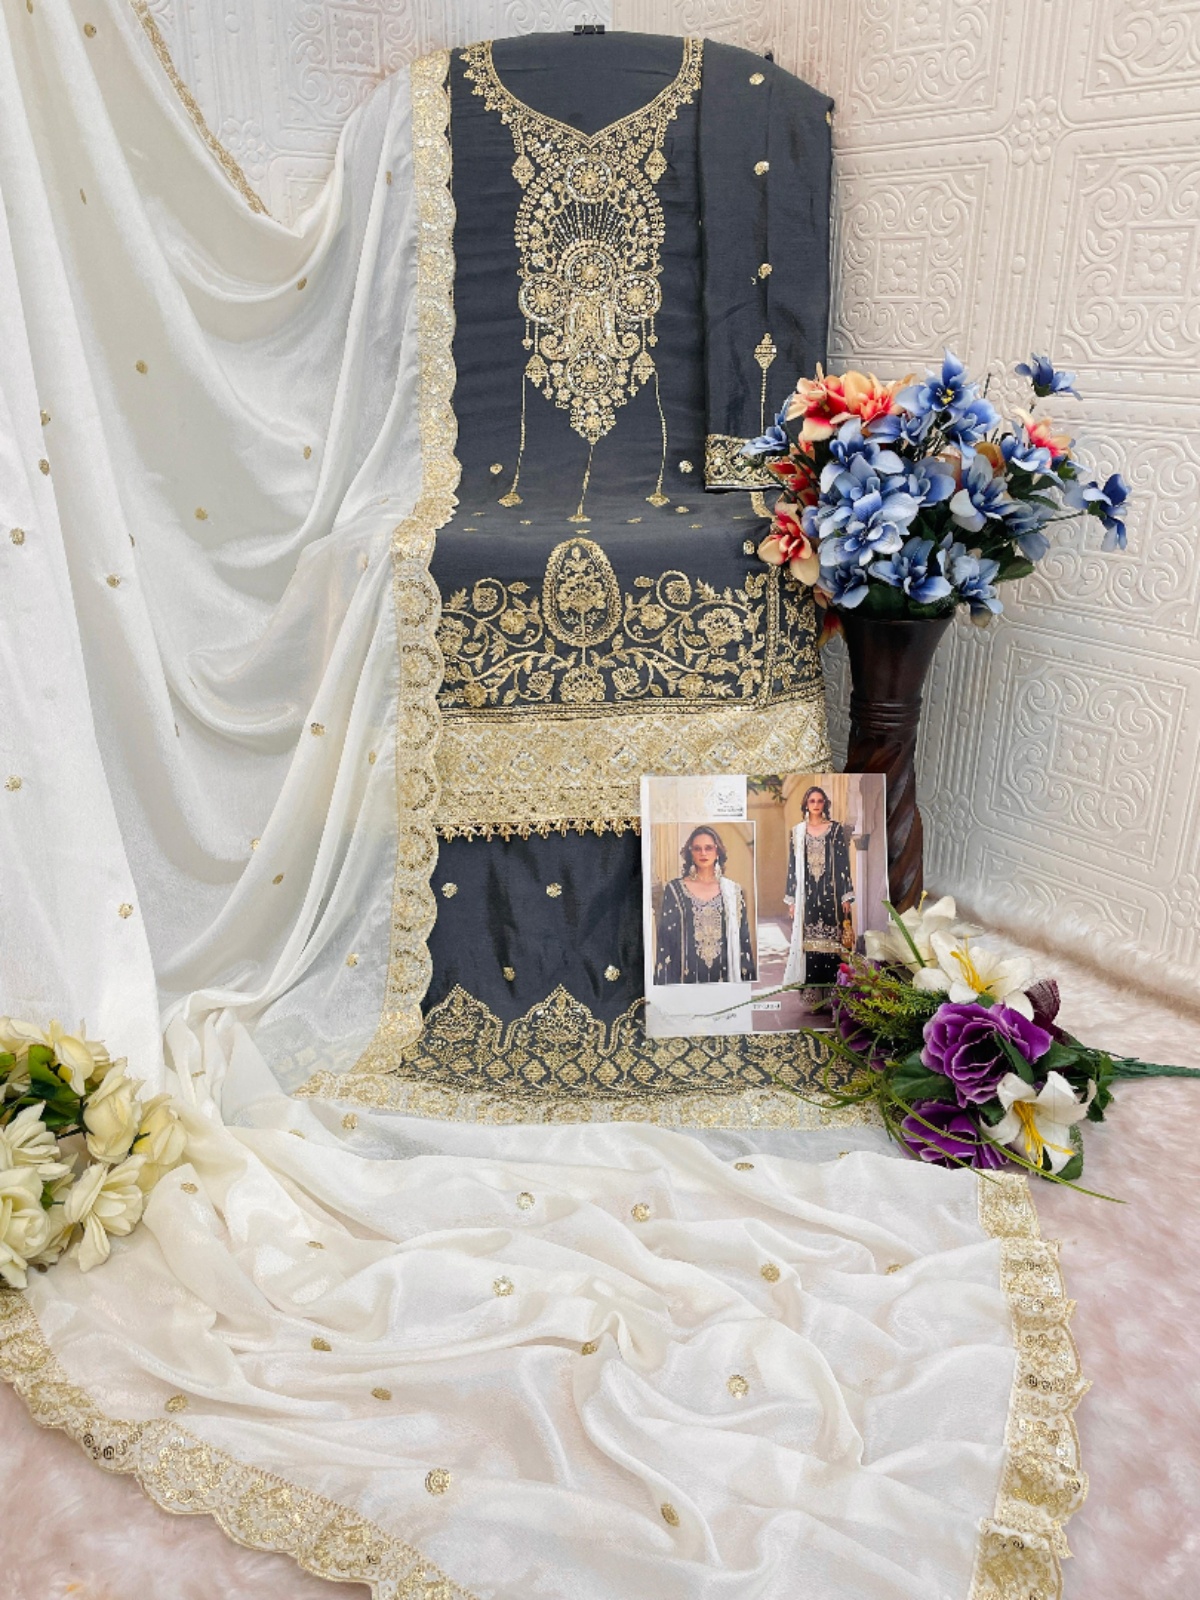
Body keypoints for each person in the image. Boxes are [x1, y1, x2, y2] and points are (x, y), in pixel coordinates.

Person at [654, 826, 756, 985]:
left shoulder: (733, 891)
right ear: (691, 853)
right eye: (697, 848)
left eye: (708, 848)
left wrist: (746, 985)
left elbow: (743, 941)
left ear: (717, 852)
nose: (703, 853)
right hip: (686, 981)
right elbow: (666, 943)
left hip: (724, 980)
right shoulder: (674, 890)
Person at [782, 786, 855, 986]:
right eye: (812, 801)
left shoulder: (835, 830)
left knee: (834, 941)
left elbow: (843, 863)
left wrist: (846, 896)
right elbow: (792, 866)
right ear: (806, 804)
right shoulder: (797, 832)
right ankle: (812, 989)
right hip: (807, 895)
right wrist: (792, 900)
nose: (816, 804)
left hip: (832, 893)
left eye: (819, 801)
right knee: (810, 942)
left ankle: (834, 989)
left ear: (825, 804)